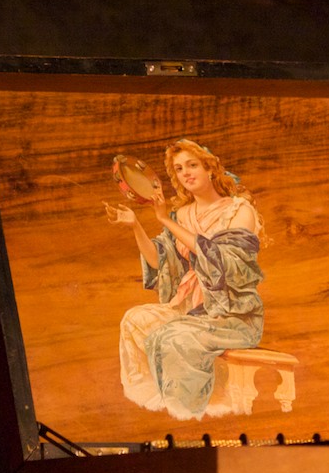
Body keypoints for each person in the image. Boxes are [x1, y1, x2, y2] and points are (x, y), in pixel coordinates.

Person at [104, 138, 265, 420]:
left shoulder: (238, 210)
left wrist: (165, 220)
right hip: (190, 309)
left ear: (210, 169)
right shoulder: (182, 214)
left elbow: (223, 262)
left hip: (232, 315)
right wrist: (135, 225)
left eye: (192, 165)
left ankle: (185, 412)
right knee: (134, 320)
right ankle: (155, 410)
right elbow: (160, 263)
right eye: (179, 169)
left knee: (173, 338)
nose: (186, 173)